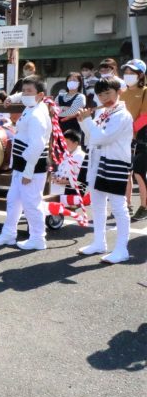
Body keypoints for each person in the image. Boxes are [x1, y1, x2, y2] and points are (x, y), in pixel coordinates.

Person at [0, 75, 52, 250]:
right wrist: (12, 97)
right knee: (13, 199)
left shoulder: (37, 114)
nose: (24, 94)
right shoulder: (32, 106)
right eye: (23, 90)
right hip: (20, 162)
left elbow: (37, 145)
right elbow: (21, 95)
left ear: (40, 94)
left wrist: (28, 171)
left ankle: (38, 237)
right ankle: (9, 233)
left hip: (32, 165)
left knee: (32, 202)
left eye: (29, 91)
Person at [76, 77, 133, 263]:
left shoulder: (122, 114)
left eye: (108, 93)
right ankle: (99, 242)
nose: (104, 97)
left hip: (114, 162)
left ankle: (122, 249)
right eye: (100, 94)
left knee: (118, 206)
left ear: (118, 92)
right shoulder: (103, 113)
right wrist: (84, 121)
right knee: (97, 205)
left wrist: (87, 122)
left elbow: (101, 138)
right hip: (96, 161)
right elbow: (90, 137)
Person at [119, 59, 147, 221]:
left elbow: (144, 117)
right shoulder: (122, 92)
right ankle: (125, 204)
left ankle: (144, 205)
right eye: (126, 72)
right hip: (123, 139)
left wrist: (131, 131)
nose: (128, 75)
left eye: (132, 73)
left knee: (139, 172)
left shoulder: (144, 91)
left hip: (141, 138)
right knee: (124, 172)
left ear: (141, 75)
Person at [49, 129, 86, 197]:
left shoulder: (81, 156)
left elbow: (82, 178)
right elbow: (61, 171)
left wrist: (67, 181)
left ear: (76, 143)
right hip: (61, 186)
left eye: (67, 143)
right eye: (64, 143)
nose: (64, 145)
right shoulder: (65, 154)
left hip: (73, 190)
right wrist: (54, 176)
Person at [56, 72, 86, 136]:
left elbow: (73, 112)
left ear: (79, 83)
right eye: (69, 80)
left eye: (74, 80)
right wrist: (65, 108)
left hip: (73, 129)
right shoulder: (60, 96)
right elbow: (53, 109)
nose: (71, 82)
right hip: (58, 129)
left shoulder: (81, 97)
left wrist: (59, 110)